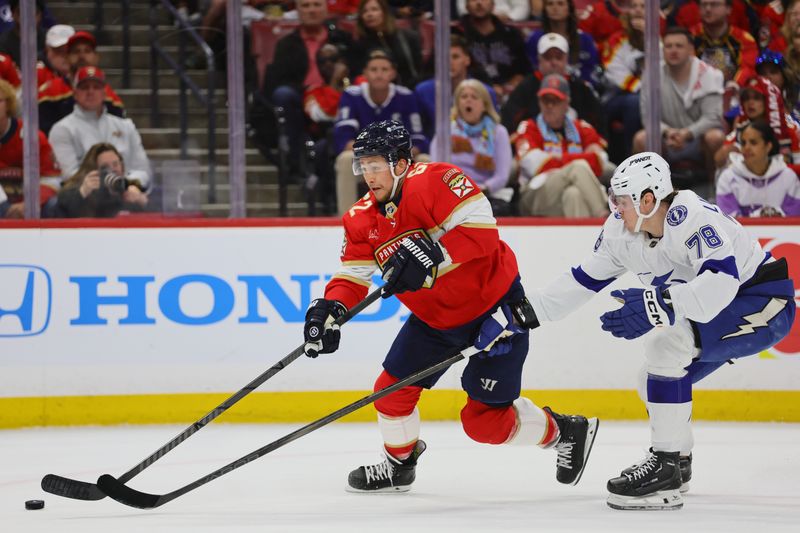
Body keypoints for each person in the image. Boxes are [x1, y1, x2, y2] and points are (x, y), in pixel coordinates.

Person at [302, 119, 599, 493]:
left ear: (400, 163)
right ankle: (399, 465)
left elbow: (483, 232)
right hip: (436, 320)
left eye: (376, 164)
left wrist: (433, 257)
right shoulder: (360, 218)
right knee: (390, 392)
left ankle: (566, 432)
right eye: (363, 165)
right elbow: (352, 277)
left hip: (496, 308)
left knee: (484, 424)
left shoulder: (436, 180)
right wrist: (330, 309)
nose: (369, 175)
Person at [525, 151, 795, 510]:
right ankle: (679, 462)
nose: (615, 208)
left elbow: (722, 283)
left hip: (764, 303)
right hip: (727, 305)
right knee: (650, 380)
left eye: (622, 200)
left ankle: (665, 466)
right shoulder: (621, 232)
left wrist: (660, 304)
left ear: (649, 199)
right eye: (614, 199)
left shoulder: (692, 217)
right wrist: (528, 312)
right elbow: (582, 280)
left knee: (666, 349)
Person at [262, 0, 354, 180]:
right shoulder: (286, 44)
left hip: (338, 95)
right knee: (283, 94)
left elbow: (356, 72)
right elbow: (276, 82)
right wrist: (310, 91)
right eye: (305, 6)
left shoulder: (342, 40)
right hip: (301, 100)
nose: (311, 10)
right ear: (297, 11)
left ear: (326, 9)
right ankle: (295, 164)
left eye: (316, 5)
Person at [333, 48, 427, 215]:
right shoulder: (352, 95)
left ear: (392, 73)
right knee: (345, 159)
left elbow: (418, 139)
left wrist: (395, 157)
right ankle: (346, 220)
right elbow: (343, 137)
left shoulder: (406, 96)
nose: (379, 74)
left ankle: (423, 219)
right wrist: (377, 156)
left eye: (384, 70)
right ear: (365, 73)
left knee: (425, 160)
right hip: (365, 159)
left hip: (398, 159)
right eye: (374, 69)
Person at [634, 27, 725, 181]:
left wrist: (686, 134)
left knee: (715, 137)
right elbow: (647, 118)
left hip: (698, 139)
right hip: (665, 138)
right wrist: (668, 132)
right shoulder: (651, 75)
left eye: (679, 46)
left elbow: (712, 118)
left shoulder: (709, 74)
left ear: (691, 49)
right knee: (641, 139)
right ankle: (650, 196)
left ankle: (716, 190)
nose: (673, 51)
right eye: (668, 46)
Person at [514, 73, 609, 218]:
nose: (550, 106)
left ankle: (582, 239)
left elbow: (601, 162)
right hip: (535, 195)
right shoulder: (528, 127)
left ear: (567, 103)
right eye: (546, 100)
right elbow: (535, 165)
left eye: (556, 101)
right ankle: (604, 218)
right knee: (579, 166)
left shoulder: (583, 128)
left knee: (574, 194)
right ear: (539, 102)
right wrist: (581, 159)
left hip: (563, 198)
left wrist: (556, 158)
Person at [48, 66, 152, 191]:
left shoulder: (126, 126)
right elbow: (69, 175)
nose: (90, 92)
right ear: (75, 94)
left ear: (104, 93)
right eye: (85, 87)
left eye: (96, 87)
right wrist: (109, 184)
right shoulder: (62, 129)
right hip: (85, 199)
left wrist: (128, 185)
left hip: (126, 193)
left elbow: (143, 170)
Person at [431, 79, 513, 215]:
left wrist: (482, 189)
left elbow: (501, 176)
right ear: (457, 104)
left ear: (485, 105)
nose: (468, 101)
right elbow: (435, 169)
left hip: (485, 193)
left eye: (474, 97)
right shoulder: (445, 132)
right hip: (450, 193)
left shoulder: (498, 132)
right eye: (464, 97)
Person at [502, 32, 602, 137]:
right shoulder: (526, 87)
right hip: (535, 144)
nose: (553, 62)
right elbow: (509, 122)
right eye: (548, 57)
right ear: (539, 59)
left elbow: (598, 122)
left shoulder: (579, 87)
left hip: (575, 147)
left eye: (558, 57)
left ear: (566, 59)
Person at [38, 30, 126, 135]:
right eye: (76, 51)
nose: (82, 56)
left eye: (87, 51)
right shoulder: (49, 93)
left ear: (96, 57)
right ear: (67, 57)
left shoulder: (111, 98)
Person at [414, 34, 498, 139]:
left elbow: (492, 130)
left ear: (467, 60)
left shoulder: (486, 92)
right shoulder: (423, 92)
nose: (449, 62)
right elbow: (417, 134)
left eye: (455, 57)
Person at [0, 79, 62, 219]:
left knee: (55, 205)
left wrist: (30, 203)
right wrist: (5, 208)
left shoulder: (32, 136)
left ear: (8, 104)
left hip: (29, 203)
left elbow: (52, 179)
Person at [715, 76, 800, 173]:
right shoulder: (742, 128)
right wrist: (730, 150)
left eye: (756, 98)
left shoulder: (789, 129)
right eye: (746, 98)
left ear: (768, 100)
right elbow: (718, 159)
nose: (750, 103)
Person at [716, 120, 800, 217]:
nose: (746, 147)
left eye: (753, 142)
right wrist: (761, 216)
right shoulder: (728, 178)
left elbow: (795, 215)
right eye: (743, 143)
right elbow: (727, 220)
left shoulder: (788, 176)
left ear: (768, 146)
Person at [456, 0, 531, 99]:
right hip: (468, 94)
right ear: (466, 6)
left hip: (509, 97)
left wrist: (511, 85)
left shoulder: (511, 34)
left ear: (493, 4)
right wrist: (488, 87)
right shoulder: (458, 34)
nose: (479, 3)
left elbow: (524, 71)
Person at [601, 0, 645, 163]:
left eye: (643, 7)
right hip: (616, 98)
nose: (639, 11)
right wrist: (644, 89)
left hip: (648, 95)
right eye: (634, 6)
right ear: (627, 11)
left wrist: (649, 39)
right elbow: (614, 73)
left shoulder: (657, 40)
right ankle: (631, 160)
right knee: (635, 102)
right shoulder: (616, 40)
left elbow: (663, 69)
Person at [54, 143, 148, 218]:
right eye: (105, 167)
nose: (113, 170)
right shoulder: (75, 189)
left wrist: (141, 201)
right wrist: (82, 193)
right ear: (92, 170)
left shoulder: (126, 186)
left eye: (116, 164)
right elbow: (64, 210)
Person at [525, 0, 601, 89]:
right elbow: (529, 70)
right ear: (545, 9)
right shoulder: (535, 39)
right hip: (542, 88)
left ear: (569, 9)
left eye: (560, 3)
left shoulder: (585, 39)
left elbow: (592, 70)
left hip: (579, 90)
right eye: (550, 4)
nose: (555, 8)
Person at [352, 0, 423, 88]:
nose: (369, 14)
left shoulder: (408, 37)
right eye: (364, 11)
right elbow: (358, 75)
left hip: (408, 90)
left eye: (374, 9)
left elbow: (419, 70)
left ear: (385, 12)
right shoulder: (359, 44)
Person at [691, 0, 758, 90]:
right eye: (703, 4)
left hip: (735, 92)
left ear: (728, 9)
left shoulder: (744, 39)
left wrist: (735, 84)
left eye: (714, 4)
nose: (708, 9)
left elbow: (748, 68)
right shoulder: (690, 36)